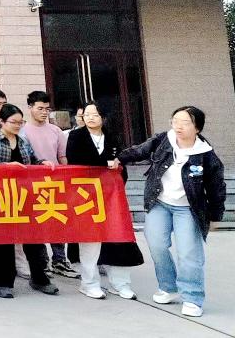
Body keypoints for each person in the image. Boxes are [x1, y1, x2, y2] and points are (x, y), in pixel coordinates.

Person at [117, 106, 226, 317]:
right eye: (175, 121)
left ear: (197, 128)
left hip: (188, 209)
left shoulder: (205, 155)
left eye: (185, 122)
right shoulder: (163, 140)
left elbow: (217, 188)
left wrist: (215, 216)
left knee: (188, 254)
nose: (178, 126)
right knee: (157, 245)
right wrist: (118, 158)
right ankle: (168, 287)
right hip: (159, 203)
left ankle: (192, 298)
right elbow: (139, 151)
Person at [66, 102, 144, 301]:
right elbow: (75, 162)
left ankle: (120, 283)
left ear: (103, 117)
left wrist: (116, 171)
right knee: (90, 241)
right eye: (86, 115)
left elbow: (120, 164)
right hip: (85, 196)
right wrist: (104, 164)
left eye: (95, 114)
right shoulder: (76, 136)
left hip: (111, 197)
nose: (90, 118)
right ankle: (89, 283)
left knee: (117, 239)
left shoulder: (112, 136)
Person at [0, 104, 60, 299]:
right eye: (14, 122)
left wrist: (42, 163)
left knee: (34, 240)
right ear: (1, 121)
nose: (18, 126)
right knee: (3, 242)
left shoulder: (23, 141)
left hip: (25, 196)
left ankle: (40, 278)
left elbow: (32, 160)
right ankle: (3, 282)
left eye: (21, 122)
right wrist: (5, 166)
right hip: (0, 197)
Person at [22, 91, 78, 279]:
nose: (44, 112)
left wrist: (67, 177)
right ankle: (42, 263)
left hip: (55, 183)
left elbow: (62, 156)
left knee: (57, 221)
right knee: (36, 225)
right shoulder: (23, 131)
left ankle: (60, 260)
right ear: (30, 108)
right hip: (31, 185)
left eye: (47, 109)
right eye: (40, 108)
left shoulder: (56, 131)